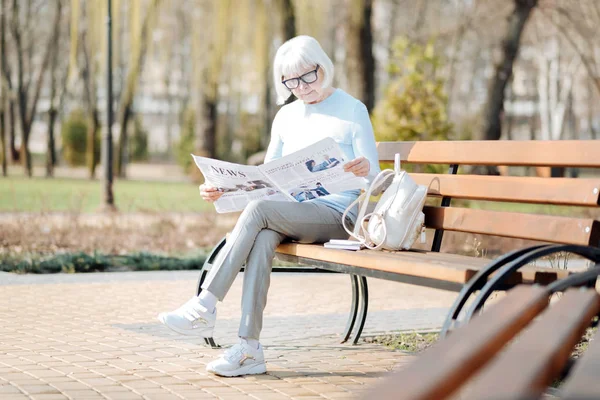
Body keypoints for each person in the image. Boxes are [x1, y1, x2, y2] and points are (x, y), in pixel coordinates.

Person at [158, 35, 380, 377]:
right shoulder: (286, 116)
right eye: (291, 81)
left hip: (340, 214)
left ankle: (205, 304)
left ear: (324, 67)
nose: (302, 87)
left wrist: (364, 169)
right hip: (293, 211)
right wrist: (223, 188)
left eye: (309, 76)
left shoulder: (352, 110)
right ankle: (249, 348)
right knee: (262, 235)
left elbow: (375, 177)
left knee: (261, 213)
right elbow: (266, 178)